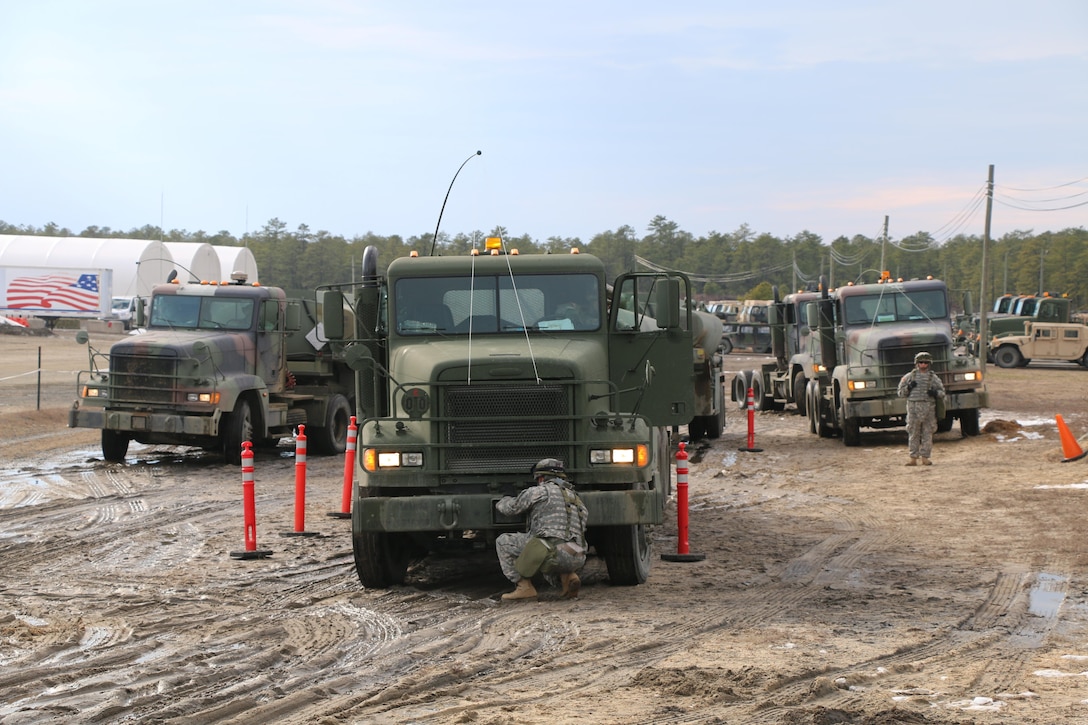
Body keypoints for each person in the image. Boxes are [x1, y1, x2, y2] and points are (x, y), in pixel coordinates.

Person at [495, 458, 589, 601]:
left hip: (553, 553)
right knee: (557, 545)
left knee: (504, 542)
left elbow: (511, 509)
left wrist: (504, 498)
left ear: (540, 477)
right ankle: (569, 577)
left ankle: (524, 588)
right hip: (578, 555)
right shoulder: (576, 499)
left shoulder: (539, 491)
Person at [897, 351, 946, 466]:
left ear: (929, 364)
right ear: (917, 364)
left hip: (928, 408)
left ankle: (925, 457)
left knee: (927, 433)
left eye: (926, 363)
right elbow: (900, 393)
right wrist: (908, 388)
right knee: (913, 433)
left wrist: (935, 393)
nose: (923, 365)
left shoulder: (933, 378)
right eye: (921, 362)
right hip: (913, 408)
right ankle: (913, 458)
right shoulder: (909, 377)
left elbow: (942, 392)